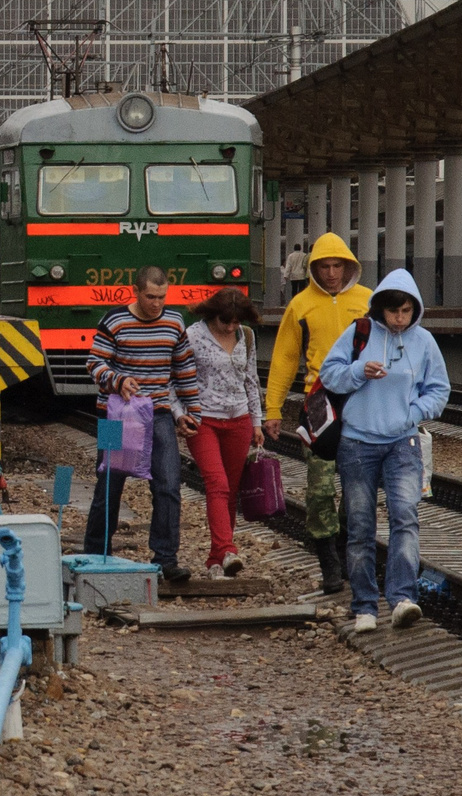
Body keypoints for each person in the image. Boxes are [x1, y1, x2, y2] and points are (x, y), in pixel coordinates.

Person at [320, 268, 449, 632]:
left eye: (406, 311)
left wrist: (413, 413)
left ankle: (403, 598)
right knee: (360, 526)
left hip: (403, 443)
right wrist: (360, 370)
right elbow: (330, 374)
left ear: (414, 310)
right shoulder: (358, 334)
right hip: (357, 443)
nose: (399, 318)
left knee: (404, 518)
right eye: (393, 311)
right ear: (379, 309)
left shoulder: (424, 342)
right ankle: (364, 605)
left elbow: (439, 390)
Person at [265, 231, 369, 596]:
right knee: (320, 487)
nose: (330, 273)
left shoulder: (368, 301)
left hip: (362, 404)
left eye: (337, 265)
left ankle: (344, 552)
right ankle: (329, 563)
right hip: (318, 403)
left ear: (348, 265)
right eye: (323, 266)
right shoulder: (301, 306)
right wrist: (272, 410)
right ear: (313, 269)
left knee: (358, 487)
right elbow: (284, 359)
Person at [84, 264, 200, 582]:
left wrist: (192, 411)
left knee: (168, 486)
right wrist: (118, 380)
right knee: (109, 485)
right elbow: (94, 362)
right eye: (150, 297)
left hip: (159, 412)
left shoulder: (174, 322)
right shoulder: (114, 320)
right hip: (115, 414)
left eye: (162, 297)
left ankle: (166, 558)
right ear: (136, 292)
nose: (157, 304)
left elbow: (184, 368)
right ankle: (96, 553)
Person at [184, 287, 260, 578]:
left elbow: (250, 380)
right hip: (203, 421)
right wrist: (181, 414)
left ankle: (216, 559)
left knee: (230, 490)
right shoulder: (192, 336)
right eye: (224, 321)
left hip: (238, 419)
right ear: (211, 314)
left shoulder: (247, 336)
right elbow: (175, 378)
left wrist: (256, 421)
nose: (230, 327)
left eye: (235, 321)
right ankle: (228, 549)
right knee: (217, 484)